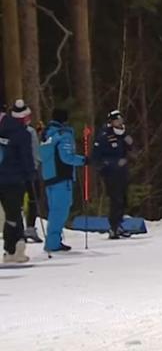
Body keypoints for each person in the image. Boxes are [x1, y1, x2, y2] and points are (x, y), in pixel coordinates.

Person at [40, 108, 87, 252]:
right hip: (62, 177)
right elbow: (67, 157)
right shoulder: (63, 135)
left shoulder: (46, 135)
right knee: (60, 211)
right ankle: (53, 243)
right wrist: (84, 160)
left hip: (49, 177)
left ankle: (54, 240)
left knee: (54, 210)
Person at [0, 100, 36, 263]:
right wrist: (31, 174)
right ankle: (14, 248)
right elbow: (26, 157)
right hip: (13, 179)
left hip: (6, 177)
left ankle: (13, 248)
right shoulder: (22, 133)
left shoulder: (6, 130)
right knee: (14, 214)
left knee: (11, 214)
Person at [92, 110, 133, 239]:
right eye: (117, 120)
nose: (119, 123)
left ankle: (119, 224)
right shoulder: (105, 135)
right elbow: (96, 156)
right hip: (111, 172)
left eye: (121, 120)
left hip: (122, 172)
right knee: (116, 199)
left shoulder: (123, 134)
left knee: (123, 199)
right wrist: (110, 165)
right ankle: (113, 227)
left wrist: (128, 142)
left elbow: (130, 147)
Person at [21, 103, 44, 243]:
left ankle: (24, 227)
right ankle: (28, 227)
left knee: (26, 199)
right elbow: (35, 151)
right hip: (29, 170)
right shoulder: (29, 132)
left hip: (18, 171)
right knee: (33, 198)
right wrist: (35, 165)